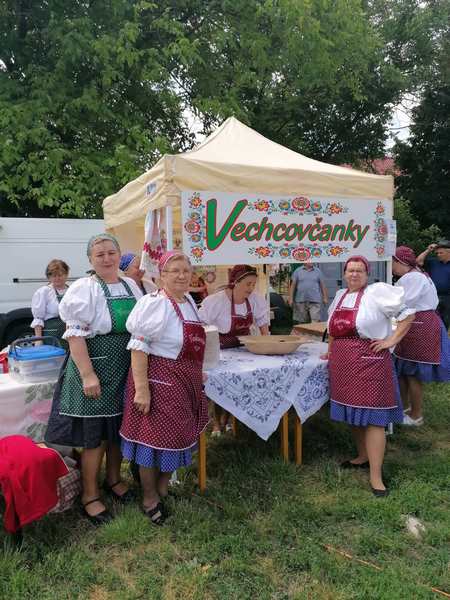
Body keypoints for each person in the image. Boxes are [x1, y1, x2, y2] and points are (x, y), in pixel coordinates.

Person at [45, 234, 143, 525]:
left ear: (119, 255)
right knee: (94, 438)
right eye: (99, 254)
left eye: (111, 252)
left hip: (124, 366)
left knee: (117, 431)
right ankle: (90, 495)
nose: (107, 258)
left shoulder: (131, 285)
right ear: (90, 259)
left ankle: (113, 480)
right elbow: (75, 336)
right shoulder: (84, 289)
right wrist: (88, 375)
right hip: (93, 367)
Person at [120, 250, 209, 525]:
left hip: (185, 381)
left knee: (178, 437)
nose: (182, 276)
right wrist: (142, 389)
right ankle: (149, 497)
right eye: (175, 271)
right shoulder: (155, 303)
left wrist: (198, 371)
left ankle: (162, 488)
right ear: (162, 275)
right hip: (159, 381)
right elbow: (139, 347)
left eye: (186, 270)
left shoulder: (189, 301)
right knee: (152, 441)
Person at [324, 256, 414, 497]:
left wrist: (390, 340)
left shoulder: (377, 293)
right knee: (353, 413)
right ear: (344, 273)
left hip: (370, 360)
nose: (354, 274)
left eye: (360, 270)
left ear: (367, 274)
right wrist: (330, 352)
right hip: (343, 363)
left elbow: (408, 315)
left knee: (374, 418)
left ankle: (376, 476)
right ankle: (362, 456)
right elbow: (332, 330)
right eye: (350, 270)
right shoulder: (340, 295)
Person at [199, 264, 270, 435]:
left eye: (253, 284)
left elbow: (263, 326)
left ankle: (231, 419)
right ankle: (216, 423)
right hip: (219, 350)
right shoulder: (216, 301)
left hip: (243, 350)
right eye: (248, 284)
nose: (251, 288)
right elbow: (201, 326)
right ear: (235, 282)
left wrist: (268, 346)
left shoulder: (255, 300)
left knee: (238, 385)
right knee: (218, 385)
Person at [392, 246, 450, 426]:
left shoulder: (413, 277)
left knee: (412, 374)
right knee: (403, 370)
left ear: (401, 262)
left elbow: (403, 303)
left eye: (392, 263)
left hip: (419, 325)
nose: (391, 267)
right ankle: (404, 408)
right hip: (416, 324)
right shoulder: (415, 274)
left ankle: (416, 416)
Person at [31, 259, 70, 348]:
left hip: (69, 335)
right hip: (51, 336)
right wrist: (38, 340)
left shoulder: (72, 291)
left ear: (66, 274)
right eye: (54, 276)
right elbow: (38, 318)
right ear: (49, 277)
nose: (57, 278)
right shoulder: (43, 292)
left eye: (60, 275)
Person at [416, 240, 450, 329]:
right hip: (433, 296)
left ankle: (443, 337)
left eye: (441, 253)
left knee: (445, 322)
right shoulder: (434, 262)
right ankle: (434, 336)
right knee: (433, 321)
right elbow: (418, 261)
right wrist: (428, 250)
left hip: (448, 298)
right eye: (437, 253)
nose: (438, 255)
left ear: (448, 252)